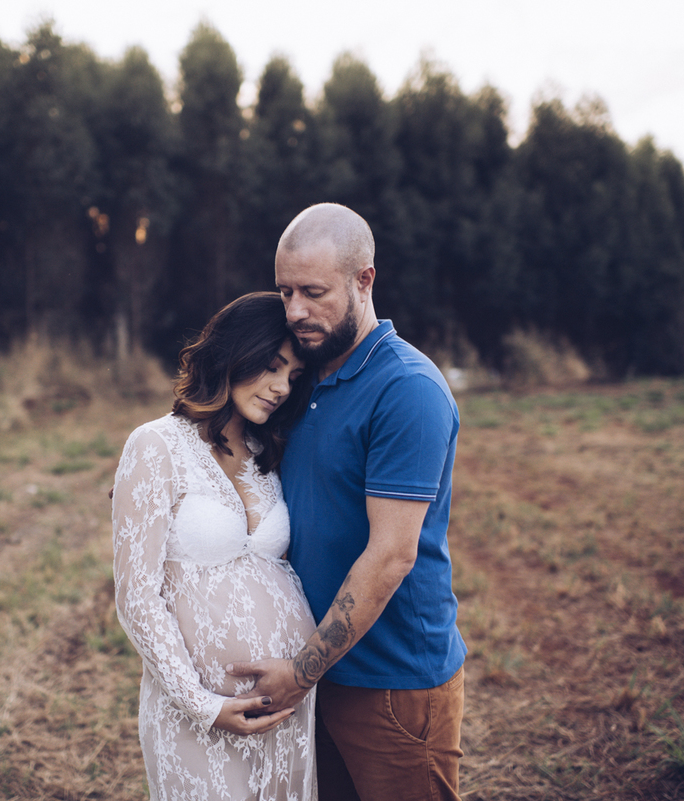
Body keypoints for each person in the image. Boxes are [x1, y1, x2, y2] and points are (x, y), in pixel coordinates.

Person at [227, 204, 467, 801]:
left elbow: (391, 557)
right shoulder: (299, 378)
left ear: (365, 280)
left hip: (392, 685)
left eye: (313, 291)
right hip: (319, 677)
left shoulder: (406, 389)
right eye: (285, 292)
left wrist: (300, 672)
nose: (295, 311)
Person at [112, 291, 317, 801]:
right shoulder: (156, 445)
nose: (280, 388)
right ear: (234, 352)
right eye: (271, 366)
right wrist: (202, 705)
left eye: (292, 376)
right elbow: (137, 596)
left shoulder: (266, 453)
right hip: (198, 714)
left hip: (288, 709)